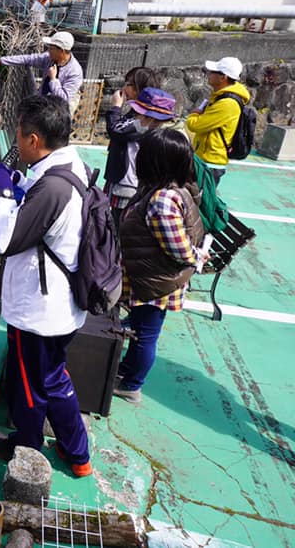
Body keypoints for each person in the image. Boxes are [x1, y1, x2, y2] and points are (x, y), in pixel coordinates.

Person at [0, 95, 92, 478]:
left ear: (32, 140)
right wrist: (20, 184)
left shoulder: (52, 189)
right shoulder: (69, 164)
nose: (16, 141)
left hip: (40, 312)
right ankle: (77, 454)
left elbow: (6, 241)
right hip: (60, 306)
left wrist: (5, 196)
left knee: (32, 388)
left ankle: (26, 448)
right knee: (54, 378)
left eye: (18, 135)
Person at [114, 128, 205, 404]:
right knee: (141, 328)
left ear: (156, 161)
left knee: (145, 336)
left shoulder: (163, 200)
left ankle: (132, 385)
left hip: (157, 284)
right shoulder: (163, 191)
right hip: (152, 278)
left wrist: (196, 257)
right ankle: (127, 371)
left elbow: (178, 247)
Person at [105, 81, 181, 225]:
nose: (136, 116)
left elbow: (115, 130)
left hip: (127, 187)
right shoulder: (165, 135)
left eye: (139, 113)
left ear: (150, 117)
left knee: (117, 228)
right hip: (141, 189)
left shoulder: (141, 129)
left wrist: (116, 107)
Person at [0, 31, 83, 114]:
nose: (48, 50)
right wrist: (0, 61)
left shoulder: (74, 72)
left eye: (51, 48)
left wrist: (53, 79)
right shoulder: (49, 58)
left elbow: (63, 99)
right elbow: (28, 59)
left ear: (62, 51)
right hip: (44, 101)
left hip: (60, 110)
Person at [186, 56, 250, 186]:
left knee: (200, 202)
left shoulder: (227, 103)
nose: (208, 74)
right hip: (205, 158)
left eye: (212, 72)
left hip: (210, 162)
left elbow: (196, 125)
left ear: (223, 77)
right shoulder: (221, 96)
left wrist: (193, 115)